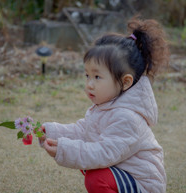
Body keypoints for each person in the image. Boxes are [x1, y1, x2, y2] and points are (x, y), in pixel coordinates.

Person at [37, 16, 170, 193]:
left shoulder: (128, 117)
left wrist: (64, 149)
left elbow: (103, 152)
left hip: (143, 184)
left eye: (97, 77)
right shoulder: (108, 105)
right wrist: (52, 132)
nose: (89, 84)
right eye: (87, 76)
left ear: (125, 82)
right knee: (91, 168)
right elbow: (83, 131)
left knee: (96, 177)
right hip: (123, 173)